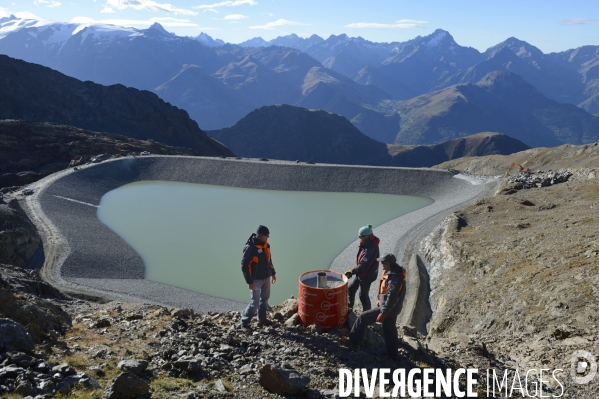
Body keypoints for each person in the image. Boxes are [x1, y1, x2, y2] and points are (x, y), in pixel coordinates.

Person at [344, 253, 406, 360]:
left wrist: (383, 313)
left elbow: (391, 298)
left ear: (388, 264)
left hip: (388, 308)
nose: (380, 264)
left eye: (383, 262)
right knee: (389, 329)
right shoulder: (393, 272)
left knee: (363, 317)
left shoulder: (393, 278)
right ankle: (393, 355)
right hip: (393, 309)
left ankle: (353, 342)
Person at [240, 225, 277, 328]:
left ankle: (262, 318)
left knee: (265, 299)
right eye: (266, 235)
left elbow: (269, 260)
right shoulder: (250, 248)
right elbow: (244, 265)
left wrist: (273, 273)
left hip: (266, 277)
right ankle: (244, 321)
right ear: (261, 235)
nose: (268, 237)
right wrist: (249, 281)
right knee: (255, 302)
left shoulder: (266, 246)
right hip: (256, 280)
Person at [345, 224, 380, 312]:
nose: (359, 238)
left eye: (361, 237)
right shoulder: (367, 243)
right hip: (361, 272)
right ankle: (350, 307)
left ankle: (366, 315)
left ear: (367, 237)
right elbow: (360, 262)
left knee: (363, 295)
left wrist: (351, 271)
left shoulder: (370, 248)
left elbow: (363, 265)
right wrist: (354, 270)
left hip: (367, 274)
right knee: (351, 288)